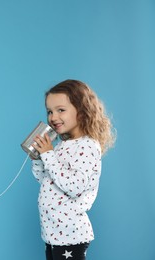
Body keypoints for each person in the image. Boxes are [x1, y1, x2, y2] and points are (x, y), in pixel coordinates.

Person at [31, 79, 115, 260]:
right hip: (52, 232)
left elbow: (74, 186)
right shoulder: (62, 145)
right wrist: (39, 159)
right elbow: (46, 180)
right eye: (49, 112)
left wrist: (48, 155)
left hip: (70, 235)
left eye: (61, 110)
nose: (53, 117)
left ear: (82, 110)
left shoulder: (87, 146)